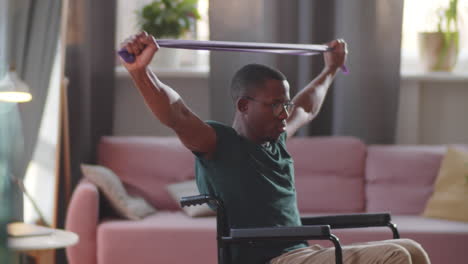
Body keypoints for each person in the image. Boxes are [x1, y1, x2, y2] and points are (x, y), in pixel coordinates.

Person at [120, 32, 430, 264]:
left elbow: (307, 107)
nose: (285, 113)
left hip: (303, 252)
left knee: (412, 250)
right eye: (276, 105)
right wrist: (139, 71)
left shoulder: (276, 138)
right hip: (271, 261)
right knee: (395, 255)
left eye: (286, 104)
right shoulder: (219, 144)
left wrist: (331, 69)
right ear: (243, 105)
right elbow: (177, 113)